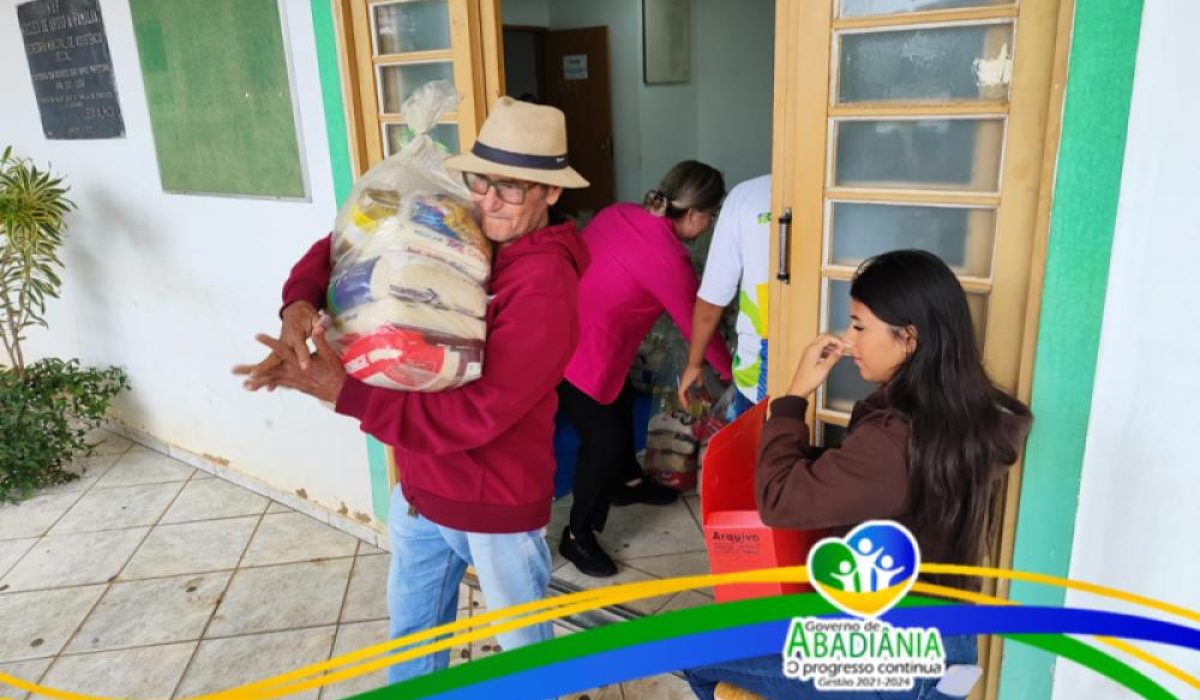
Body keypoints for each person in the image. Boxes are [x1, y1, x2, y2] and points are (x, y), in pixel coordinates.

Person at [234, 97, 590, 684]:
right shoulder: (469, 220)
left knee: (525, 658)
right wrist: (300, 298)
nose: (489, 202)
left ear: (551, 193)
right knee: (413, 642)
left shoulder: (545, 284)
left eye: (513, 189)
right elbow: (347, 241)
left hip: (493, 505)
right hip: (420, 492)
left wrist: (343, 392)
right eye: (481, 180)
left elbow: (479, 413)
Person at [683, 250, 1032, 699]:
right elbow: (865, 480)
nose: (848, 341)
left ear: (909, 338)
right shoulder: (962, 413)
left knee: (688, 651)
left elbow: (779, 500)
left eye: (860, 326)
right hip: (940, 636)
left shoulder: (896, 440)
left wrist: (793, 396)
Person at [557, 161, 734, 578]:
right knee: (601, 444)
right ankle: (577, 535)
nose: (709, 225)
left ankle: (626, 483)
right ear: (692, 214)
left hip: (570, 333)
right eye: (710, 215)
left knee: (616, 411)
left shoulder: (618, 212)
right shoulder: (669, 258)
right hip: (584, 355)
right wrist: (732, 374)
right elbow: (700, 323)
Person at [677, 174, 771, 420]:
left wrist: (695, 364)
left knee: (756, 453)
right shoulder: (844, 188)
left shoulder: (747, 195)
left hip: (761, 365)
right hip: (833, 359)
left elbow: (712, 300)